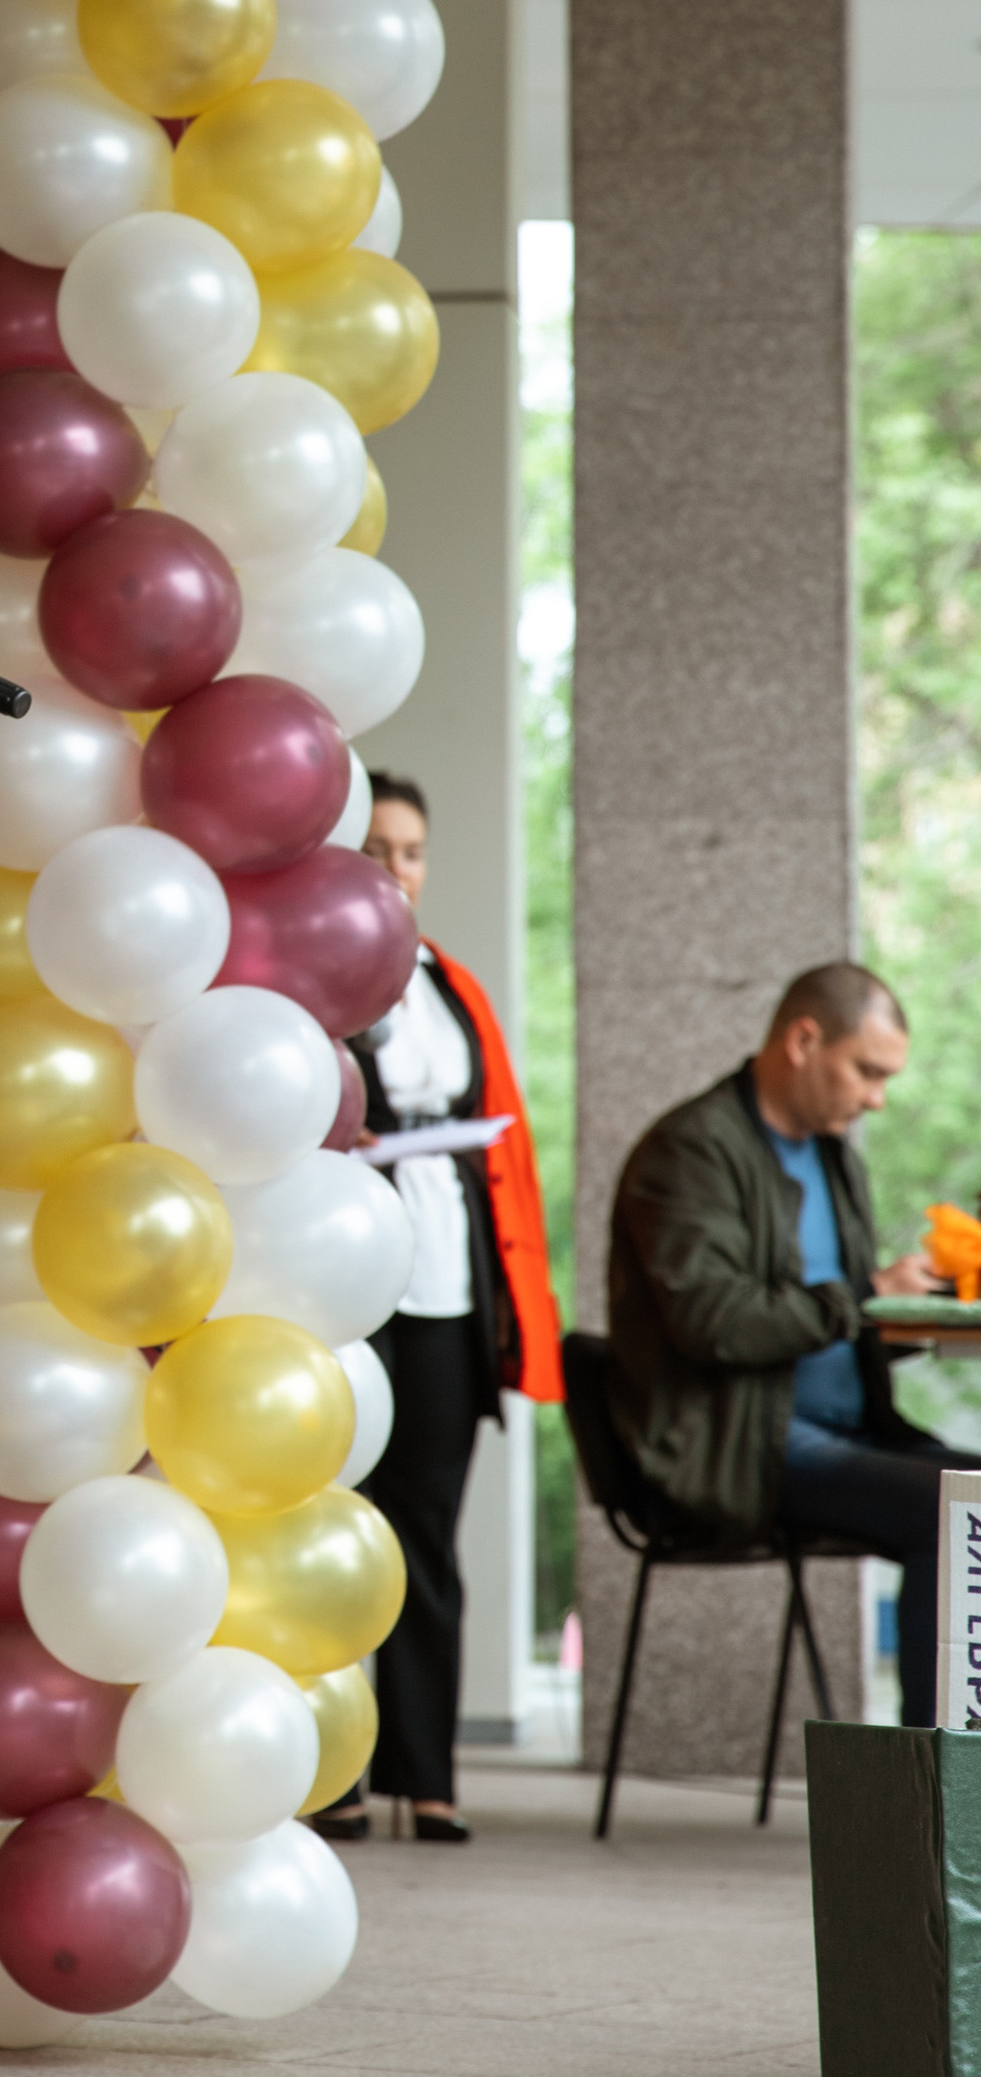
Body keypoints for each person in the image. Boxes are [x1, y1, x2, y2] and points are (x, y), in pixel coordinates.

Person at [608, 963, 953, 1722]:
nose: (876, 1098)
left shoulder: (837, 1160)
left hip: (844, 1432)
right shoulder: (690, 1151)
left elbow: (837, 1323)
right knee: (959, 1512)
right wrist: (862, 1298)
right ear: (804, 1040)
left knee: (972, 1496)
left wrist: (913, 1306)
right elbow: (713, 1322)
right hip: (740, 1445)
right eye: (866, 1071)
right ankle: (942, 1802)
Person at [324, 774, 562, 1845]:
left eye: (410, 850)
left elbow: (503, 1148)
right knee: (336, 1526)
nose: (394, 867)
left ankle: (427, 1774)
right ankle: (334, 1769)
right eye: (375, 846)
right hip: (344, 1288)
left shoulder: (453, 983)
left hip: (449, 1295)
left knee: (425, 1533)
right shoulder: (310, 979)